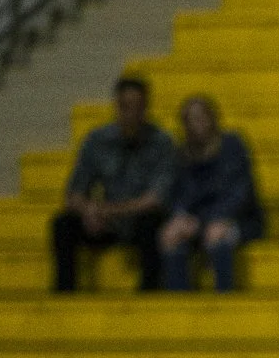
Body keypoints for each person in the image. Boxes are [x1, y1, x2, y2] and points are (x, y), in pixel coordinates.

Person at [50, 76, 174, 293]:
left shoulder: (161, 142)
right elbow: (74, 193)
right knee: (63, 224)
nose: (131, 114)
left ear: (145, 109)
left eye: (137, 107)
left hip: (139, 219)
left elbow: (156, 198)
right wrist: (89, 210)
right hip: (106, 221)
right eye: (125, 107)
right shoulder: (97, 140)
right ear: (117, 107)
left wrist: (110, 210)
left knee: (152, 224)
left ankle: (149, 293)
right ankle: (64, 294)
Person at [158, 95, 260, 293]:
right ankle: (179, 303)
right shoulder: (182, 155)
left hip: (240, 219)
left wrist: (210, 219)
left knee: (218, 235)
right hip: (199, 222)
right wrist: (180, 218)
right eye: (190, 120)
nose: (196, 125)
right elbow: (176, 195)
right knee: (171, 238)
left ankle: (224, 299)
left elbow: (240, 194)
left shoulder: (232, 146)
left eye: (201, 118)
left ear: (213, 119)